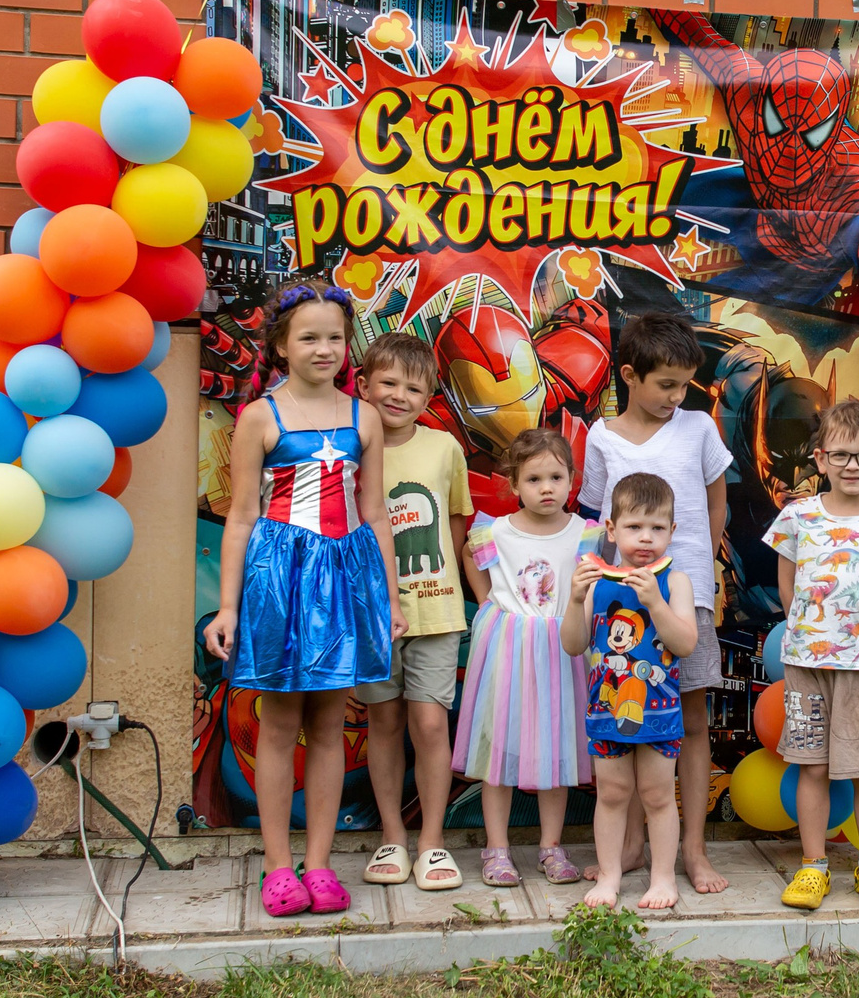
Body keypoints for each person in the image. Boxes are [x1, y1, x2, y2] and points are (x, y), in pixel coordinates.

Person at [204, 279, 399, 919]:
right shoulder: (262, 416)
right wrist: (230, 607)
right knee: (280, 724)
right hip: (281, 579)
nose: (324, 349)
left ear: (349, 346)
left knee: (328, 726)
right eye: (309, 338)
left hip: (344, 579)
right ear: (281, 346)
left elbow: (374, 515)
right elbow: (239, 517)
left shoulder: (362, 415)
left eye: (335, 338)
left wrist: (389, 600)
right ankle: (278, 866)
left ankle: (319, 864)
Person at [579, 312, 736, 893]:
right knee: (627, 717)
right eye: (665, 384)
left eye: (684, 384)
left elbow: (715, 505)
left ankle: (692, 849)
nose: (676, 396)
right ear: (629, 375)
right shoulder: (601, 436)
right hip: (619, 604)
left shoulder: (698, 428)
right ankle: (631, 844)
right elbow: (600, 518)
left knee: (688, 719)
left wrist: (699, 571)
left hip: (682, 595)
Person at [766, 398, 859, 912]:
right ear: (820, 458)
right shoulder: (797, 517)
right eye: (841, 455)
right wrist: (811, 632)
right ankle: (813, 866)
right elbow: (787, 586)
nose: (852, 465)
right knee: (811, 766)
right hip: (806, 666)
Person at [355, 330, 475, 893]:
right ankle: (391, 836)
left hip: (435, 613)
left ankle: (432, 841)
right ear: (363, 385)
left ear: (429, 400)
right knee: (383, 721)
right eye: (389, 383)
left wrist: (438, 579)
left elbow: (455, 522)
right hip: (371, 614)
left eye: (415, 388)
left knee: (429, 721)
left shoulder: (443, 448)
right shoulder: (346, 446)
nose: (400, 395)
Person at [451, 427, 595, 888]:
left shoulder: (586, 535)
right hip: (508, 648)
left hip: (563, 648)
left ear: (572, 479)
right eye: (533, 479)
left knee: (556, 749)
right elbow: (472, 556)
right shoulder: (494, 531)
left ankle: (551, 846)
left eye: (556, 477)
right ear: (513, 484)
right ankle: (497, 848)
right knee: (499, 750)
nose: (546, 488)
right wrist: (489, 601)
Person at [563, 471, 697, 910]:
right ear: (611, 530)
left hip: (659, 711)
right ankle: (609, 876)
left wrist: (655, 602)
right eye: (634, 527)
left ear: (672, 532)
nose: (646, 538)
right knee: (612, 794)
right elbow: (573, 644)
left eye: (657, 528)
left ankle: (662, 878)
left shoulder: (675, 582)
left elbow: (685, 644)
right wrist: (572, 600)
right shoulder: (596, 582)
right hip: (605, 711)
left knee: (658, 796)